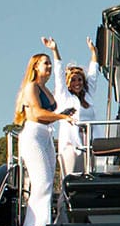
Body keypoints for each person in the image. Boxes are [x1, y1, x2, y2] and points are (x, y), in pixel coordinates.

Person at [13, 52, 72, 226]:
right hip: (33, 135)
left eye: (49, 64)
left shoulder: (45, 89)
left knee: (48, 179)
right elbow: (38, 113)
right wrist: (62, 116)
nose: (49, 67)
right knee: (42, 181)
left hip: (46, 134)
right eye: (45, 63)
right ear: (35, 66)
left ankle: (42, 223)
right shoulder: (31, 87)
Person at [44, 36, 104, 180]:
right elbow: (58, 75)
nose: (77, 83)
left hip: (89, 143)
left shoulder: (88, 96)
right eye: (74, 80)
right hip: (71, 143)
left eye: (80, 80)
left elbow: (93, 75)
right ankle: (63, 202)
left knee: (90, 176)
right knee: (70, 177)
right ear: (68, 83)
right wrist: (55, 50)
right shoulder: (64, 96)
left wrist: (94, 53)